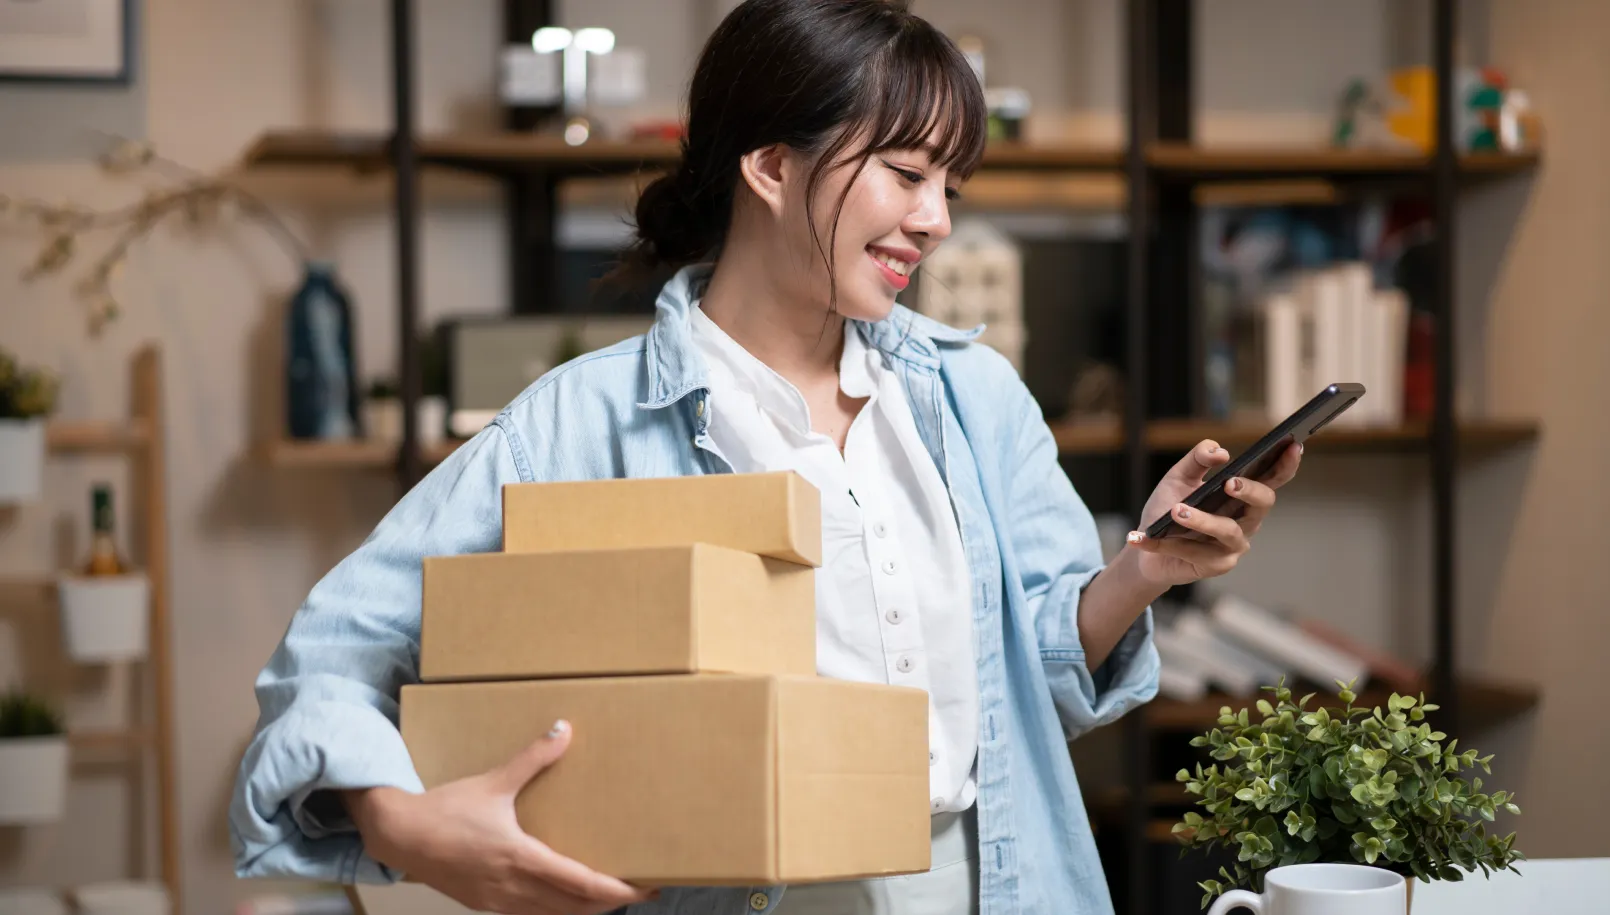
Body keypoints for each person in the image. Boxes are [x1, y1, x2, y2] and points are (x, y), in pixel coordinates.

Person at [229, 1, 1304, 913]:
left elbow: (1034, 684)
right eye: (902, 174)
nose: (933, 221)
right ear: (770, 165)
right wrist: (404, 824)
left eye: (951, 187)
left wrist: (1141, 571)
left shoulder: (972, 396)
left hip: (1003, 878)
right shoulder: (573, 425)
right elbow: (325, 658)